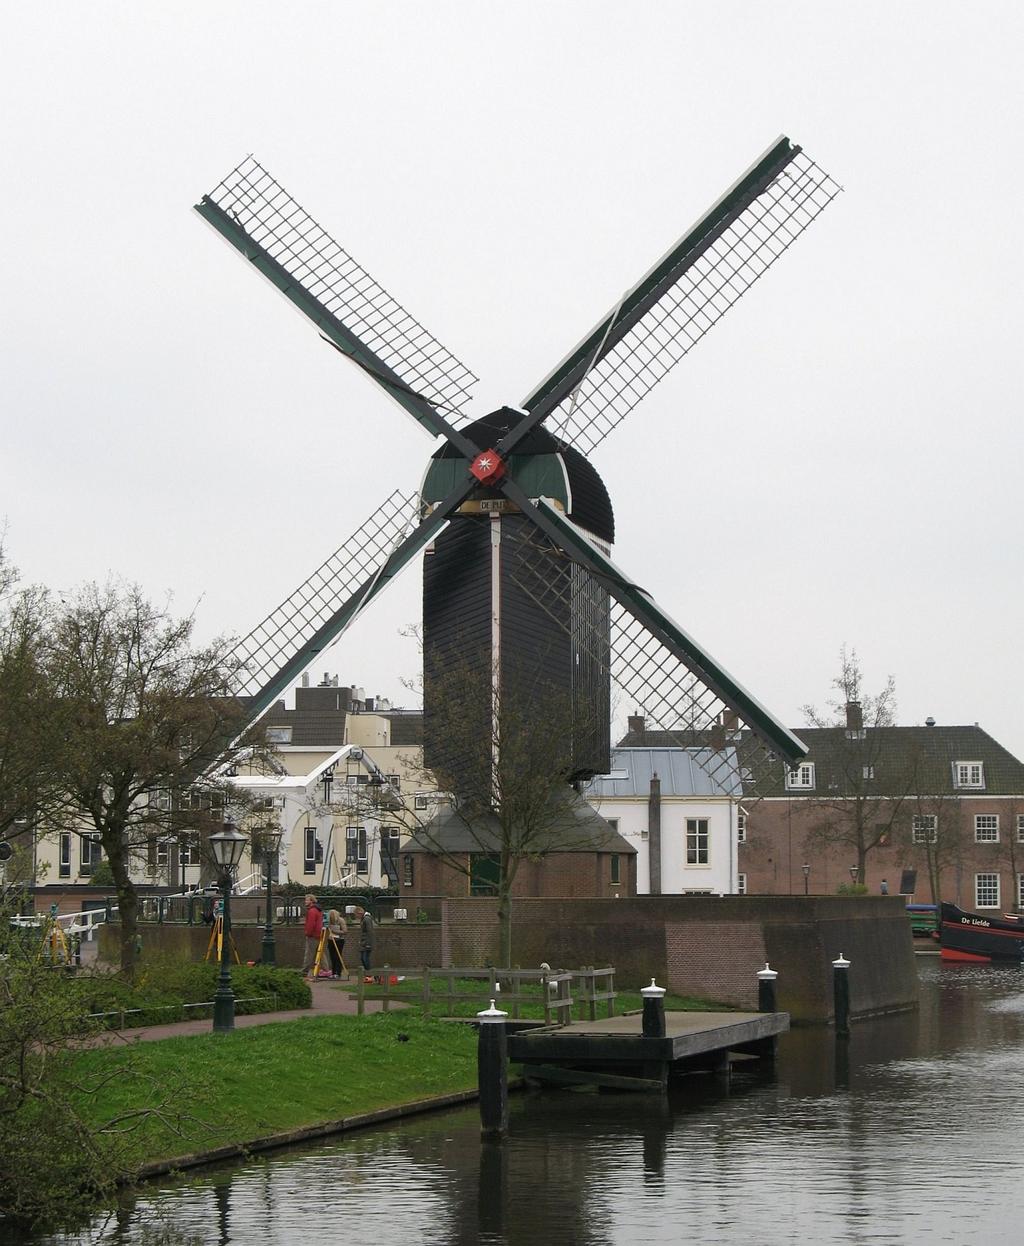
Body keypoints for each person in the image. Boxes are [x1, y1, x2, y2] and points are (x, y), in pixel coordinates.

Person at [302, 893, 324, 978]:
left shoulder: (311, 911)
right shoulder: (318, 910)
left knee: (309, 954)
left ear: (311, 901)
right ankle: (326, 970)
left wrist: (308, 933)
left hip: (312, 935)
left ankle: (304, 971)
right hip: (318, 934)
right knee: (320, 953)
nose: (305, 901)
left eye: (307, 900)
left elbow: (311, 924)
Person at [326, 908, 347, 978]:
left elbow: (345, 931)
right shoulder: (328, 921)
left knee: (337, 956)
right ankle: (333, 972)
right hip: (330, 940)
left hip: (339, 940)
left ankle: (338, 972)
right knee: (332, 957)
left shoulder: (341, 920)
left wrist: (335, 931)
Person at [355, 904, 374, 975]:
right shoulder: (364, 919)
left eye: (356, 915)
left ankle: (368, 973)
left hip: (366, 943)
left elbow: (370, 931)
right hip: (364, 942)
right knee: (363, 958)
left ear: (359, 913)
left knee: (365, 958)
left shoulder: (366, 919)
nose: (356, 917)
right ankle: (367, 973)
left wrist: (368, 943)